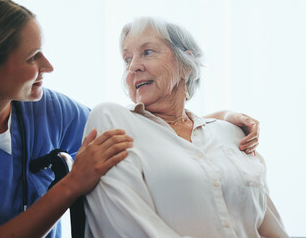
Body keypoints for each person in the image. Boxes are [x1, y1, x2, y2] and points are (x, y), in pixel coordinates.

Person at [0, 0, 260, 238]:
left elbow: (141, 132)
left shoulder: (48, 109)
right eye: (33, 57)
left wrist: (216, 121)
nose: (48, 67)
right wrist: (72, 183)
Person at [83, 17, 288, 237]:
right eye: (127, 59)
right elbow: (127, 225)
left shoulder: (232, 133)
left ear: (186, 65)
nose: (133, 67)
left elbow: (269, 225)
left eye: (147, 52)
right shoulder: (113, 120)